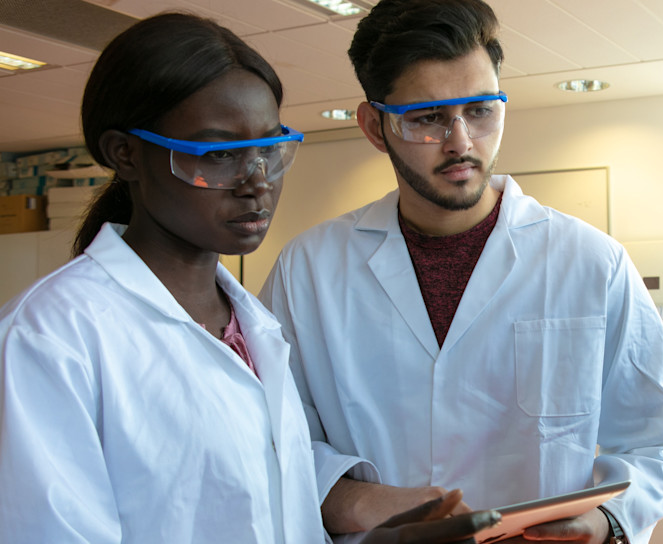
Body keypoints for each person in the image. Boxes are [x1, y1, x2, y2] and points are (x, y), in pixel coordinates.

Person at [0, 13, 499, 543]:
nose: (256, 182)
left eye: (268, 150)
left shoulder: (252, 324)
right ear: (125, 153)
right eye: (218, 154)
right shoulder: (49, 338)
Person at [258, 0, 663, 542]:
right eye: (428, 118)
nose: (460, 142)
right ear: (374, 126)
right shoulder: (308, 270)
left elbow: (658, 441)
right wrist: (354, 499)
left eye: (480, 110)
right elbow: (269, 434)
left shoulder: (592, 263)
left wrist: (605, 520)